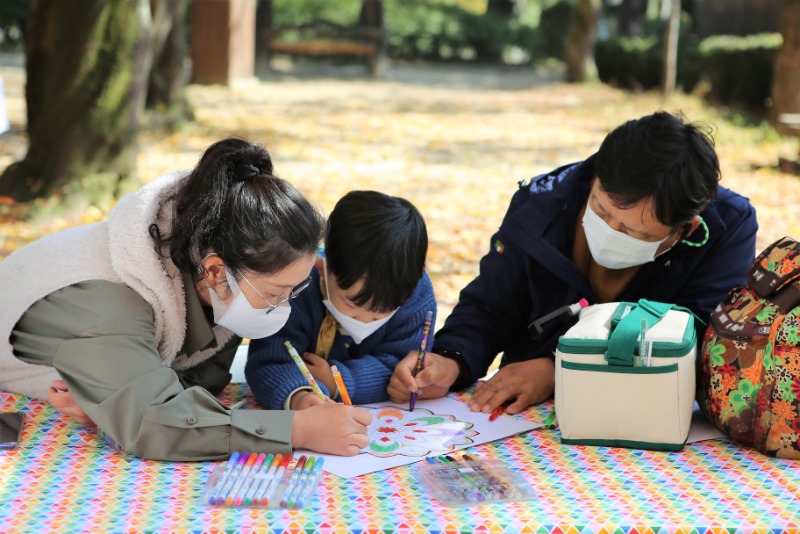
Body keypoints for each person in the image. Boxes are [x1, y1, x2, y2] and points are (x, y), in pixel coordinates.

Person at [0, 138, 372, 461]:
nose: (284, 308)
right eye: (275, 294)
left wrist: (116, 401)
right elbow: (153, 424)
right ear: (213, 271)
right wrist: (296, 430)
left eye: (295, 291)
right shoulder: (110, 304)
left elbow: (197, 382)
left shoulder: (210, 255)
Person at [388, 111, 759, 416]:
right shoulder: (542, 206)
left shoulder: (727, 228)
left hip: (644, 417)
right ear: (595, 175)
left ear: (684, 230)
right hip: (526, 421)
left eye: (633, 232)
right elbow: (490, 305)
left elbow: (699, 341)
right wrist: (451, 360)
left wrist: (559, 370)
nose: (610, 230)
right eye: (600, 209)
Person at [246, 190, 436, 410]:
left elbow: (403, 369)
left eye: (382, 311)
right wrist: (300, 397)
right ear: (322, 267)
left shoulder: (414, 291)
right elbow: (270, 362)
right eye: (353, 304)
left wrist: (338, 380)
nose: (365, 320)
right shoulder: (295, 285)